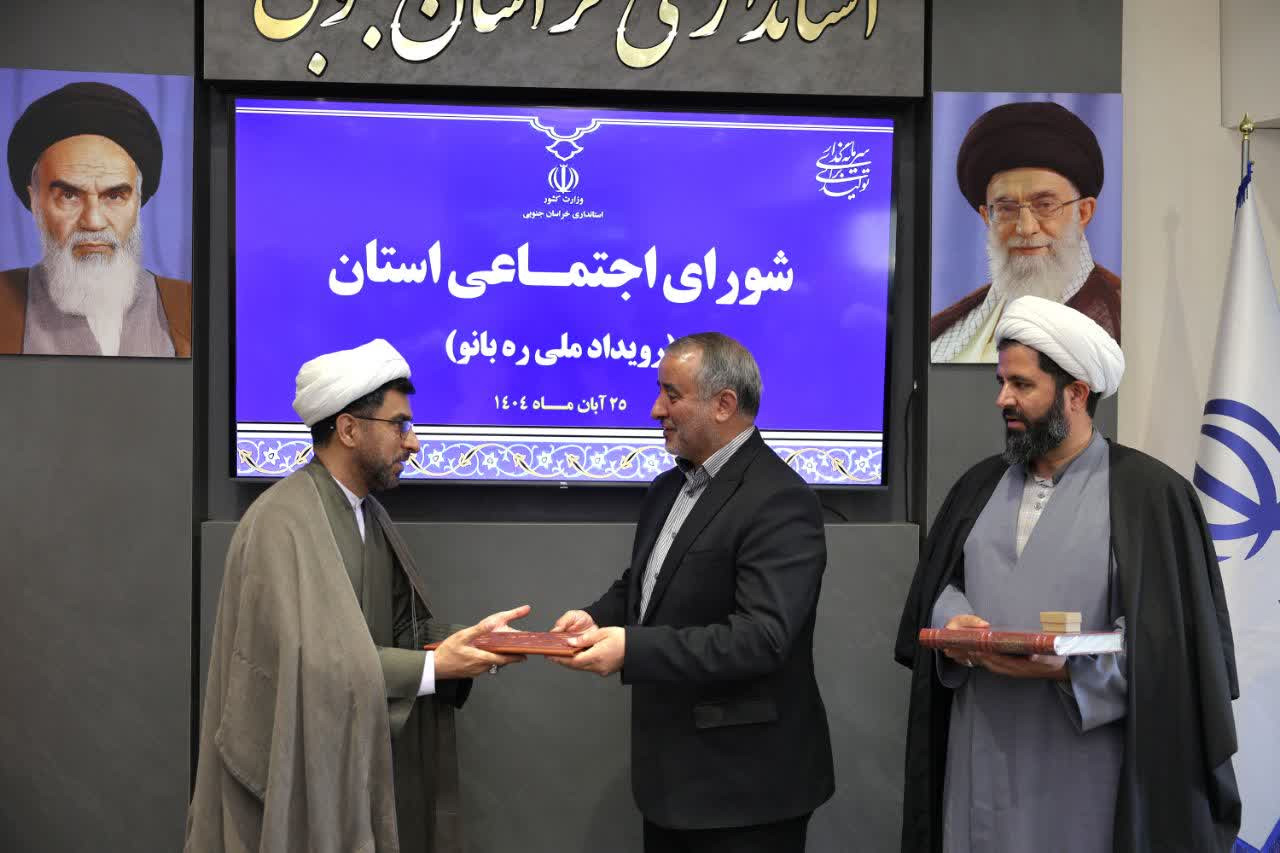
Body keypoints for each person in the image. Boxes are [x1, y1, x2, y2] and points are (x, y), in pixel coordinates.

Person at [897, 296, 1240, 852]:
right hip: (978, 753)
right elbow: (943, 585)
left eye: (1021, 385)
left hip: (1085, 769)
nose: (1003, 399)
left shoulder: (1151, 496)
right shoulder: (977, 486)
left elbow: (1175, 657)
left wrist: (1070, 671)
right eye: (1002, 382)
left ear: (1076, 393)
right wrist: (953, 620)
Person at [187, 338, 528, 853]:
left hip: (359, 762)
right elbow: (310, 669)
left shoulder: (369, 515)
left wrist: (475, 641)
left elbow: (400, 629)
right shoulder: (281, 523)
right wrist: (435, 667)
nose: (413, 443)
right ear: (349, 429)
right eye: (400, 426)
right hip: (306, 778)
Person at [550, 331, 834, 853]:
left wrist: (631, 648)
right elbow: (646, 585)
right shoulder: (668, 489)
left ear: (723, 404)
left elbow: (762, 638)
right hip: (672, 786)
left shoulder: (780, 499)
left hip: (746, 793)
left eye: (671, 394)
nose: (656, 409)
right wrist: (595, 618)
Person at [1, 82, 190, 357]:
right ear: (35, 201)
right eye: (69, 195)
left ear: (138, 201)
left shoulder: (189, 306)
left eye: (114, 196)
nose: (93, 221)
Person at [931, 101, 1120, 363]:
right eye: (1007, 209)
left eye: (1045, 205)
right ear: (986, 217)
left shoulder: (1122, 319)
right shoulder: (944, 334)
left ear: (1084, 212)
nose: (1026, 228)